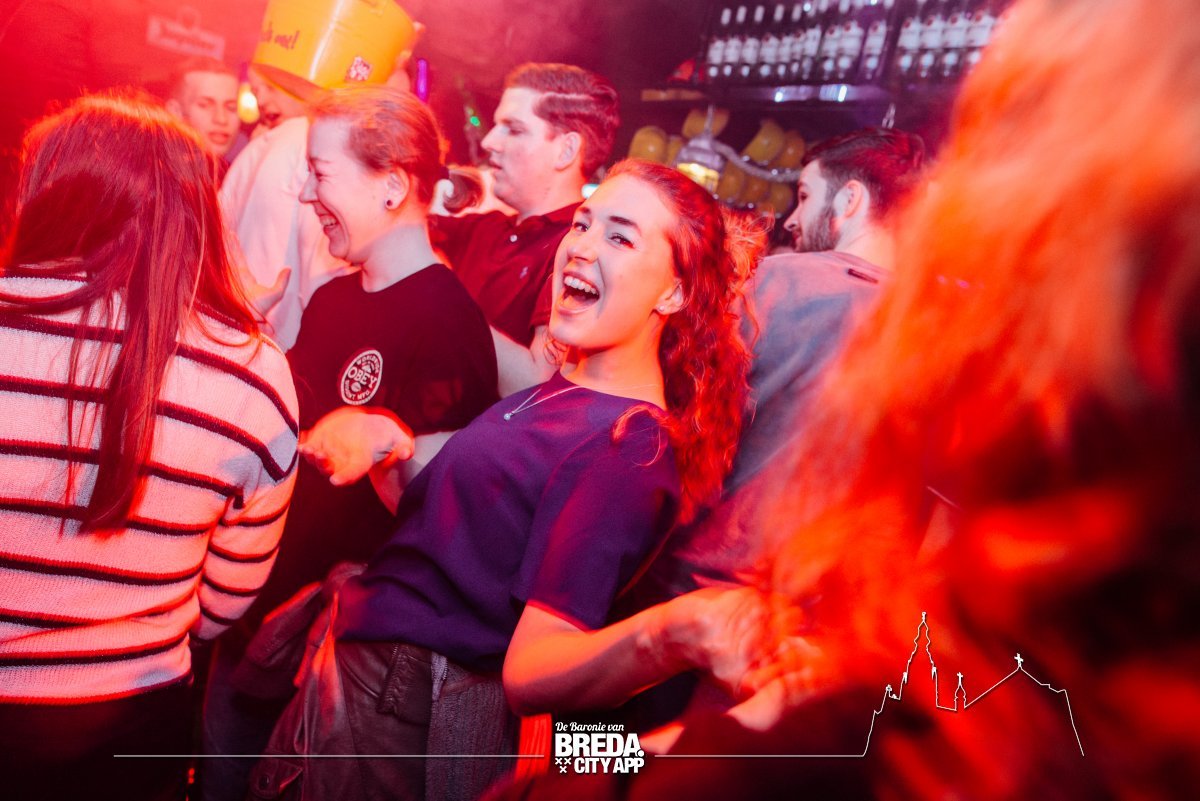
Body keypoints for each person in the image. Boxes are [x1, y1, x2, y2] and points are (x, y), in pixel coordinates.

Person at [495, 0, 1200, 798]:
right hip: (824, 634)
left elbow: (679, 403)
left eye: (804, 197)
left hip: (695, 611)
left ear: (853, 203)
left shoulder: (782, 288)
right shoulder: (940, 332)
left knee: (602, 759)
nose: (795, 219)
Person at [246, 159, 767, 801]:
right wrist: (387, 440)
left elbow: (533, 672)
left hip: (405, 705)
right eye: (583, 223)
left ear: (673, 294)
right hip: (366, 673)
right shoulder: (564, 392)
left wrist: (670, 636)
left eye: (620, 237)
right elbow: (455, 538)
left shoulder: (629, 444)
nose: (582, 246)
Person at [200, 85, 498, 801]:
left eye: (320, 173)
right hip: (256, 612)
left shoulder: (446, 321)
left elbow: (441, 516)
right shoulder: (334, 295)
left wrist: (388, 449)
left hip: (330, 650)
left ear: (391, 185)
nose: (306, 195)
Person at [0, 93, 298, 801]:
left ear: (47, 195)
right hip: (135, 721)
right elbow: (226, 601)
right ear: (199, 213)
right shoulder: (254, 374)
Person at [431, 63, 620, 395]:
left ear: (566, 151)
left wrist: (443, 293)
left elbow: (533, 387)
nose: (489, 141)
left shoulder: (577, 250)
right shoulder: (484, 229)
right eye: (496, 126)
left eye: (514, 129)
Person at [165, 56, 241, 165]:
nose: (221, 119)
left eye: (231, 108)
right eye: (205, 105)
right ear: (175, 112)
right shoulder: (149, 171)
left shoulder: (237, 173)